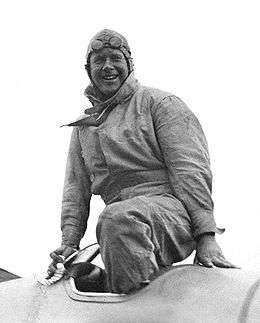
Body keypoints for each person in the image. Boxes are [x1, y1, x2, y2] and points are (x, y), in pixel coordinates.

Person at [48, 29, 236, 294]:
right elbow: (75, 189)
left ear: (129, 64)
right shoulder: (83, 129)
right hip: (118, 226)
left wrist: (206, 236)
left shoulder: (160, 104)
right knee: (116, 223)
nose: (108, 66)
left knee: (117, 219)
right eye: (99, 60)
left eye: (115, 58)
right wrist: (69, 243)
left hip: (171, 213)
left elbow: (190, 170)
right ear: (88, 69)